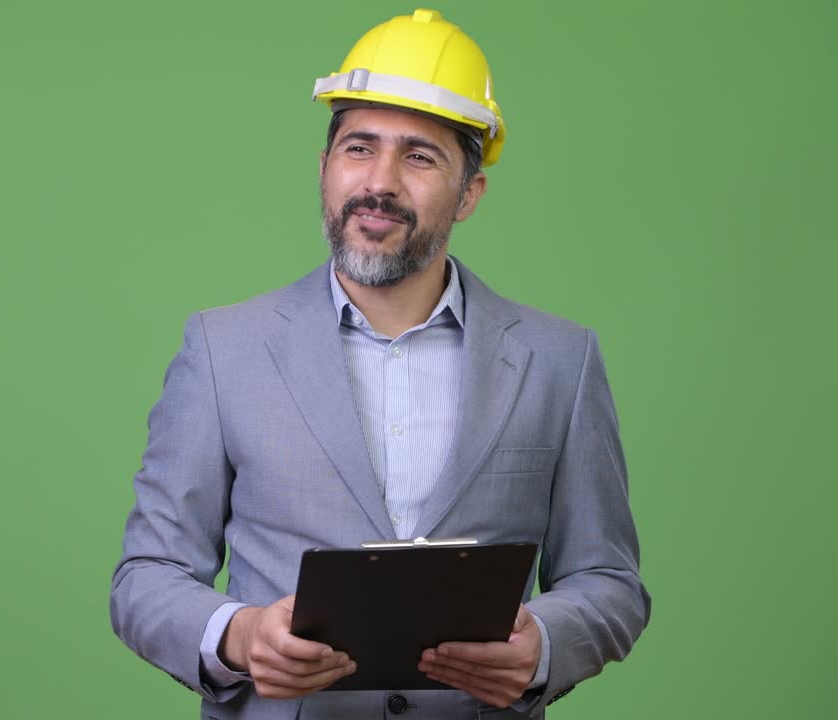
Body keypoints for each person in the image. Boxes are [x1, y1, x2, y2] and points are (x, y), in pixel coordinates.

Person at [110, 9, 651, 719]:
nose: (380, 182)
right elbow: (146, 576)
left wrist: (545, 644)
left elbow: (610, 579)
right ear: (326, 166)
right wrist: (240, 636)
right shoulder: (222, 349)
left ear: (470, 192)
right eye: (359, 148)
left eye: (420, 157)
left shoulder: (559, 360)